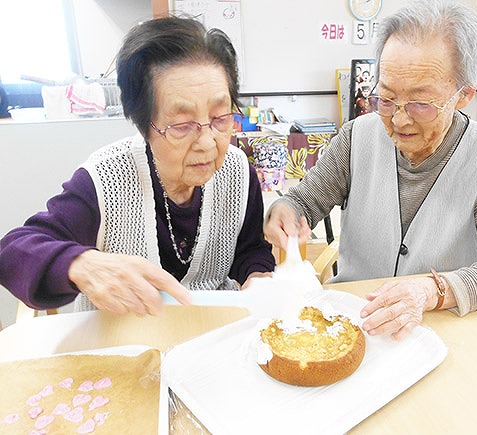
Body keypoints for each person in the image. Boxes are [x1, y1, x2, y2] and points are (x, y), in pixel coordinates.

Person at [264, 0, 477, 339]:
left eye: (421, 104)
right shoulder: (356, 138)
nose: (400, 120)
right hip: (354, 322)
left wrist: (431, 291)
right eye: (387, 99)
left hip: (438, 330)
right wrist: (284, 211)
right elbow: (304, 202)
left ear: (464, 94)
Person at [0, 16, 275, 316]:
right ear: (145, 127)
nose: (208, 142)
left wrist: (258, 277)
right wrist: (80, 264)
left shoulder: (237, 172)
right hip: (122, 344)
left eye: (220, 118)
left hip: (209, 340)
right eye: (183, 125)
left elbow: (249, 249)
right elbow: (13, 250)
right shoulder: (105, 181)